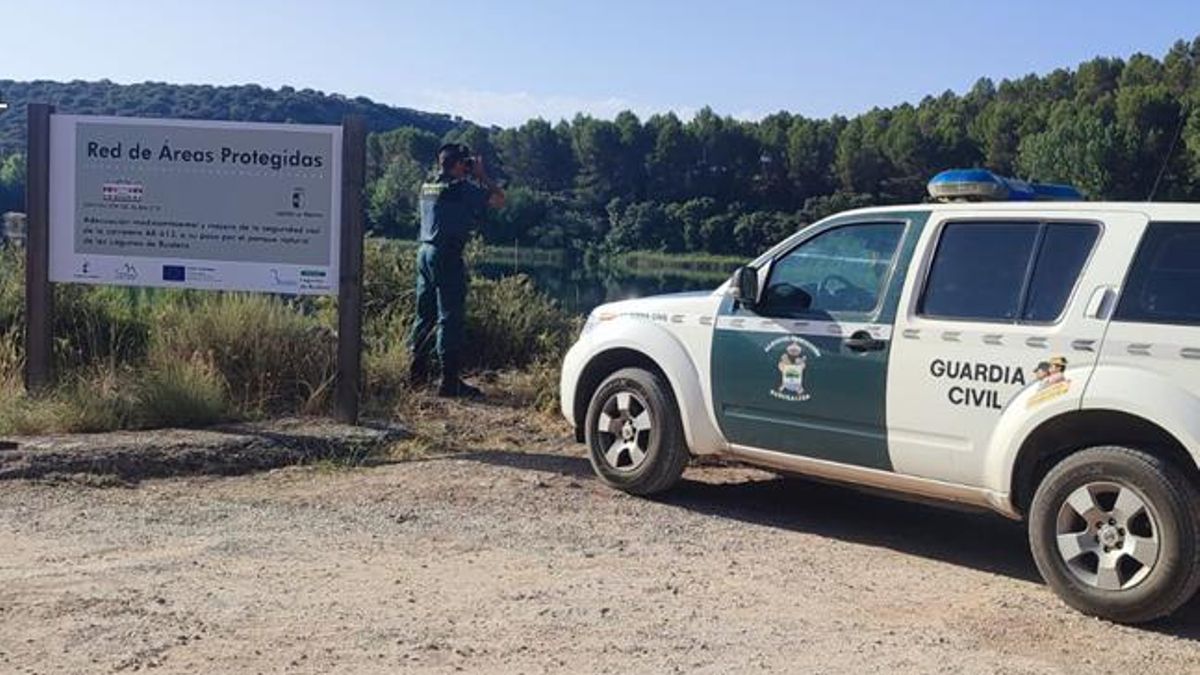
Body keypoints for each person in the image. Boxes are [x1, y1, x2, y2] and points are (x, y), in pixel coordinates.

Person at [407, 143, 505, 398]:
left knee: (424, 314)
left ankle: (416, 375)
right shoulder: (461, 188)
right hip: (446, 255)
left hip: (424, 253)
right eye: (466, 163)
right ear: (459, 164)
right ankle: (449, 382)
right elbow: (499, 200)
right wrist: (482, 176)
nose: (469, 166)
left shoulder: (427, 186)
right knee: (450, 318)